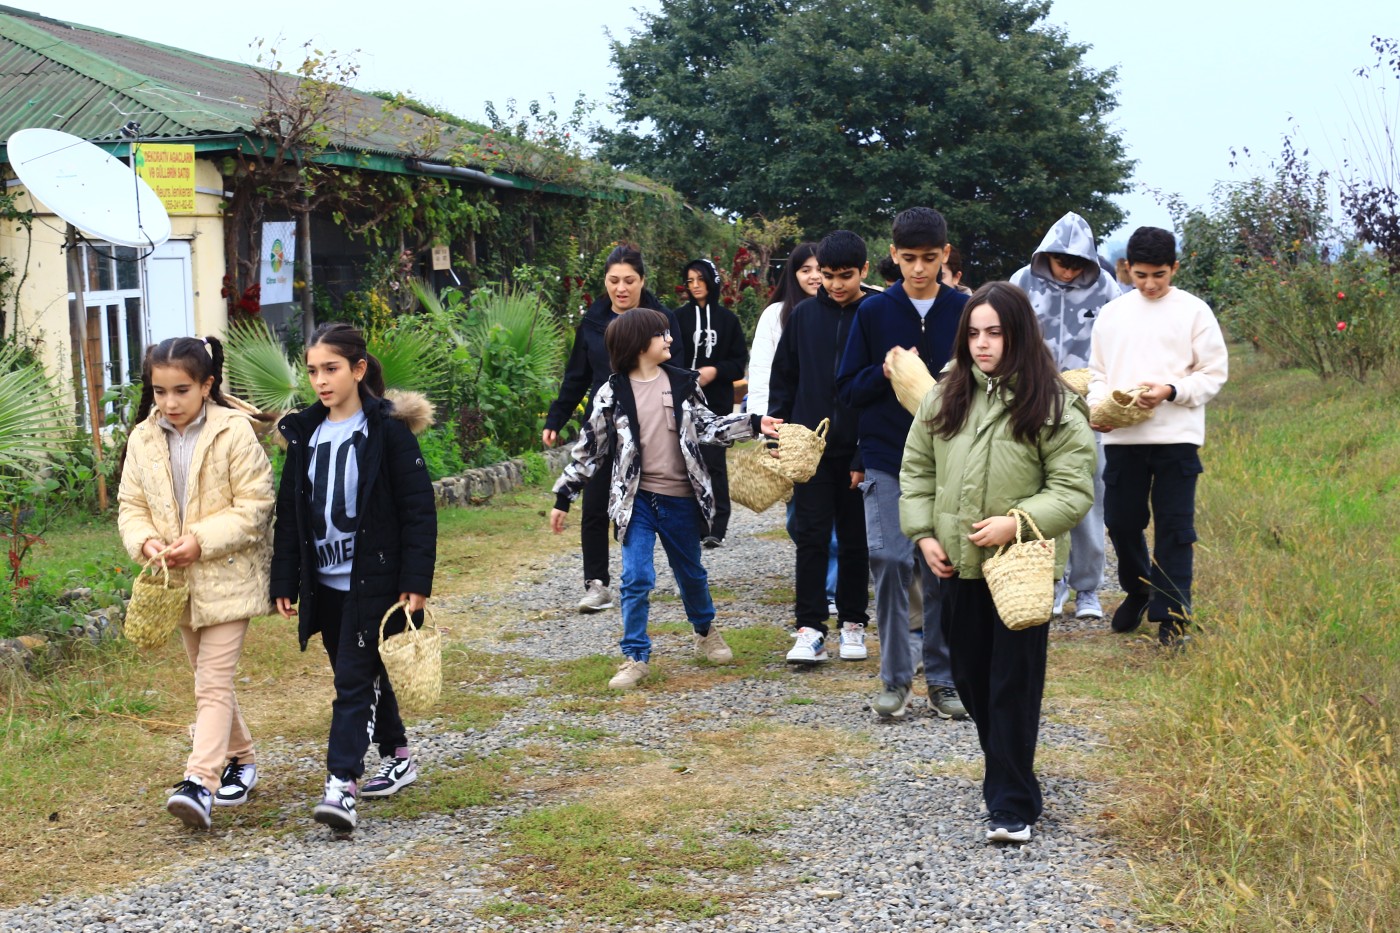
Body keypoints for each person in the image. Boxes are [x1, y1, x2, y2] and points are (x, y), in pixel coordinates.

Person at [900, 281, 1095, 843]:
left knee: (1013, 683)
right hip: (954, 566)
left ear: (1019, 335)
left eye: (995, 333)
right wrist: (923, 533)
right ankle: (1007, 771)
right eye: (974, 333)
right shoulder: (944, 395)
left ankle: (1011, 803)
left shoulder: (1052, 401)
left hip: (1020, 570)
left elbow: (1072, 487)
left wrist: (1018, 522)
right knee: (969, 677)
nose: (983, 344)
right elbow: (917, 470)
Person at [550, 308, 781, 689]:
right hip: (636, 500)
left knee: (690, 573)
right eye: (662, 334)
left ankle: (705, 632)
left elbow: (709, 426)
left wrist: (756, 422)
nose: (670, 338)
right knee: (636, 577)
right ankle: (635, 655)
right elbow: (590, 450)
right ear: (639, 344)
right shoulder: (612, 393)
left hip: (680, 500)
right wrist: (564, 495)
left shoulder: (683, 383)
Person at [271, 323, 438, 833]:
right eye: (313, 371)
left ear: (358, 370)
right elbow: (291, 514)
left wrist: (416, 578)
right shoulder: (305, 433)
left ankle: (341, 786)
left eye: (331, 369)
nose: (320, 380)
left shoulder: (386, 430)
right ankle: (399, 753)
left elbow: (417, 508)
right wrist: (285, 581)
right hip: (325, 584)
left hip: (376, 581)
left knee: (352, 682)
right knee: (366, 674)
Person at [117, 336, 275, 830]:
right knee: (207, 682)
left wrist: (200, 541)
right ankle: (242, 759)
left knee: (212, 682)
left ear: (207, 385)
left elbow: (255, 507)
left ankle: (199, 783)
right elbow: (131, 507)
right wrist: (144, 542)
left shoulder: (235, 433)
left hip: (229, 580)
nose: (169, 402)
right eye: (159, 391)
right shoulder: (143, 438)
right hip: (177, 584)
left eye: (181, 390)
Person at [837, 206, 968, 719]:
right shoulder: (873, 313)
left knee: (943, 569)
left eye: (929, 259)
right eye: (909, 258)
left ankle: (943, 679)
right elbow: (847, 389)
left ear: (945, 255)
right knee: (891, 560)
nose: (918, 269)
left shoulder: (964, 311)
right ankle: (894, 679)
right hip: (888, 458)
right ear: (892, 255)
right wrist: (886, 370)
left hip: (952, 462)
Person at [1087, 227, 1229, 646]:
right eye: (1141, 275)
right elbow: (1097, 374)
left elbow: (1213, 373)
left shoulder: (1194, 311)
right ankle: (1139, 588)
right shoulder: (1112, 314)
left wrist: (1171, 391)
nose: (1149, 284)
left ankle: (1173, 614)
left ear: (1175, 269)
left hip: (1177, 438)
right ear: (1127, 268)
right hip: (1123, 440)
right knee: (1120, 521)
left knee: (1175, 527)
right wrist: (1100, 408)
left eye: (1159, 275)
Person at [543, 245, 682, 612]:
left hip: (652, 423)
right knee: (595, 503)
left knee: (663, 502)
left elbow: (679, 372)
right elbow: (577, 376)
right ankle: (597, 583)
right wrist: (556, 418)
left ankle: (684, 572)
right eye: (613, 281)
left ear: (643, 281)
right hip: (604, 425)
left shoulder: (662, 319)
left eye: (629, 281)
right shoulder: (592, 322)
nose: (621, 288)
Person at [1009, 212, 1123, 623]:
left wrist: (1111, 400)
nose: (1069, 269)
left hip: (1087, 413)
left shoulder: (1107, 289)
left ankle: (1087, 588)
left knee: (1088, 498)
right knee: (1037, 497)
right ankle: (1049, 582)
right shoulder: (1021, 283)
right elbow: (1004, 339)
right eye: (1062, 261)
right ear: (1048, 255)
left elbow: (1120, 347)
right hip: (1031, 408)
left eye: (1078, 263)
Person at [770, 230, 873, 665]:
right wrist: (778, 428)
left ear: (864, 270)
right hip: (808, 450)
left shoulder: (877, 313)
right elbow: (785, 377)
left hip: (859, 451)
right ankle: (809, 628)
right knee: (809, 537)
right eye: (826, 276)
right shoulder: (804, 316)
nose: (833, 284)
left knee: (856, 540)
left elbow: (885, 390)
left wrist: (865, 452)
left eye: (844, 276)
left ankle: (853, 623)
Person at [747, 243, 839, 612]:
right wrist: (762, 422)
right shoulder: (776, 316)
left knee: (835, 509)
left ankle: (830, 587)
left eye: (821, 268)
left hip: (834, 423)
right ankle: (823, 573)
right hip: (792, 427)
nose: (814, 276)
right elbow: (762, 372)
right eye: (805, 269)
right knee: (796, 516)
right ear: (793, 274)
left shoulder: (847, 311)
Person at [674, 258, 749, 548]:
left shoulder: (728, 321)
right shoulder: (677, 318)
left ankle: (717, 526)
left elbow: (738, 362)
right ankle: (692, 522)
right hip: (684, 399)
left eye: (700, 280)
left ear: (711, 281)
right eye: (690, 281)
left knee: (714, 460)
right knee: (685, 459)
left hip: (716, 400)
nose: (695, 286)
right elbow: (669, 354)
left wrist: (715, 371)